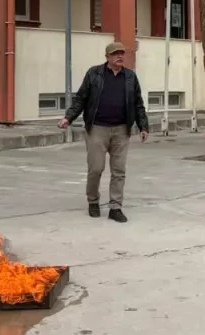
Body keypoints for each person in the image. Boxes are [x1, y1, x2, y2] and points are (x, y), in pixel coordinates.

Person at [59, 41, 149, 223]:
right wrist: (69, 117)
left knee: (119, 171)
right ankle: (93, 202)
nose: (120, 57)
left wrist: (143, 126)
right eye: (116, 54)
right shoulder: (94, 74)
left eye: (122, 53)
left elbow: (138, 103)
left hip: (121, 130)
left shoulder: (130, 77)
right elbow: (80, 99)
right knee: (96, 168)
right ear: (107, 57)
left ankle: (115, 207)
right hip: (97, 129)